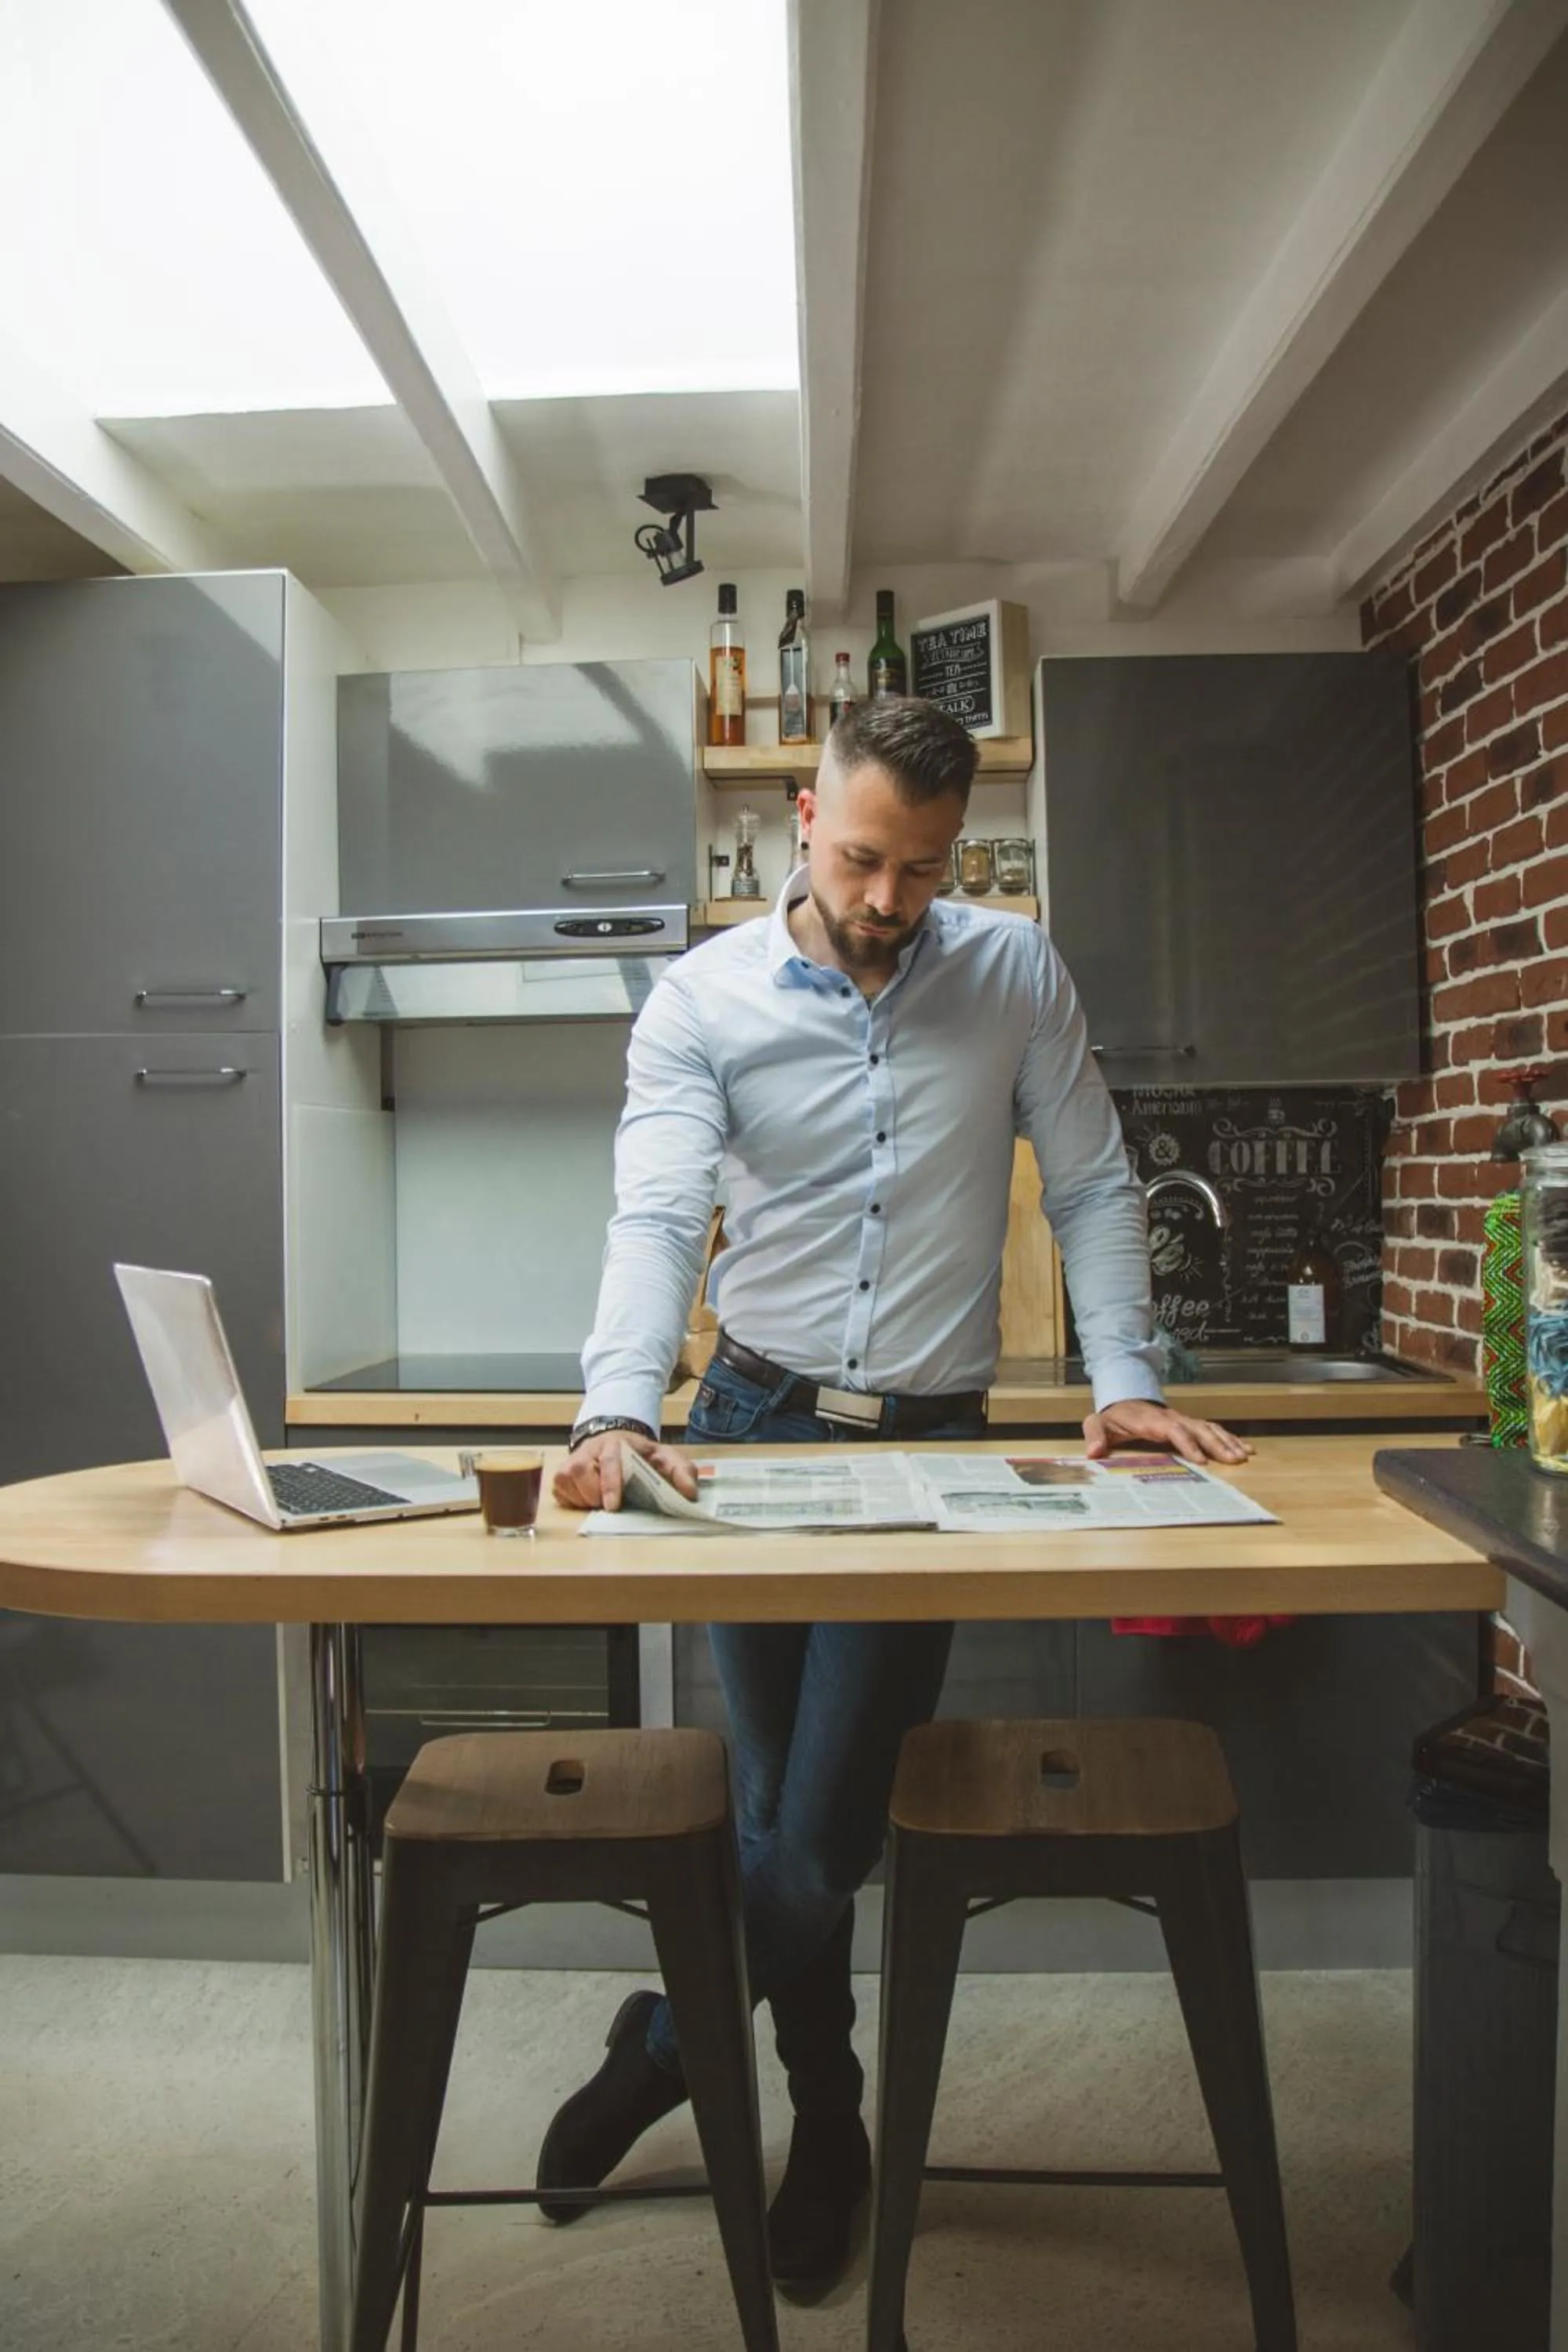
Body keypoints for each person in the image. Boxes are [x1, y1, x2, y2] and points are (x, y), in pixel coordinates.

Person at [537, 695, 1251, 2299]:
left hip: (920, 1448)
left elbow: (1085, 1184)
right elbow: (654, 1216)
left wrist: (1122, 1377)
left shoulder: (1014, 974)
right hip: (746, 1428)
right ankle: (830, 2124)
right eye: (862, 858)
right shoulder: (702, 997)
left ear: (958, 853)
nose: (884, 900)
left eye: (922, 870)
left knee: (824, 1833)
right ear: (805, 813)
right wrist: (615, 1407)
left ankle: (664, 2046)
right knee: (793, 1821)